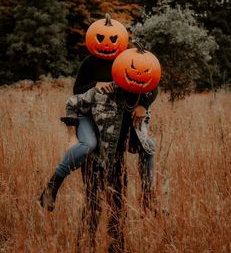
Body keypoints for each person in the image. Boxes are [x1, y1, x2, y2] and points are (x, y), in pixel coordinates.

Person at [39, 50, 157, 213]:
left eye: (144, 77)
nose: (138, 79)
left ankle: (148, 196)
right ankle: (52, 186)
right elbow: (73, 102)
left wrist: (144, 105)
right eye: (133, 75)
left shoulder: (141, 98)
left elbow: (153, 86)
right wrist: (72, 136)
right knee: (93, 206)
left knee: (119, 206)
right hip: (95, 146)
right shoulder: (104, 89)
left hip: (115, 153)